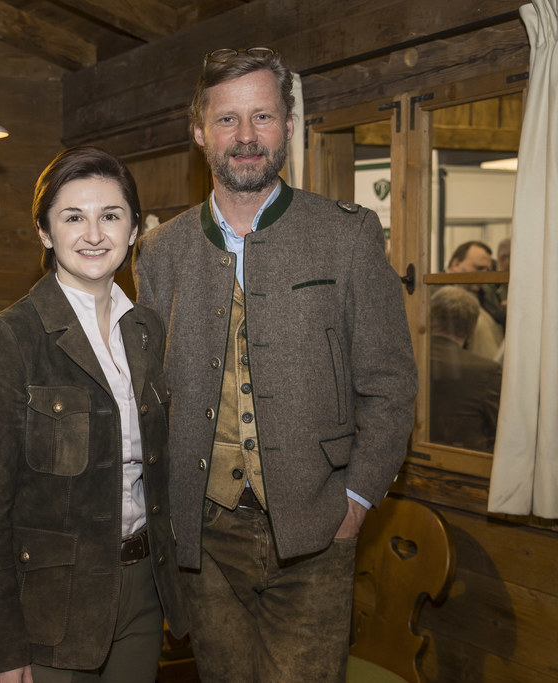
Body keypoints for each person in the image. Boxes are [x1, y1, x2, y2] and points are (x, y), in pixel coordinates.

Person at [133, 47, 417, 681]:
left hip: (317, 532)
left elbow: (391, 387)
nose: (245, 137)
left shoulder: (347, 234)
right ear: (200, 131)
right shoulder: (159, 251)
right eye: (228, 120)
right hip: (202, 541)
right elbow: (146, 395)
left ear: (289, 125)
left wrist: (355, 503)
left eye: (262, 117)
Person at [0, 146, 188, 683]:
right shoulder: (7, 340)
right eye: (73, 217)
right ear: (44, 232)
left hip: (143, 594)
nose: (94, 234)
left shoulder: (147, 330)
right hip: (49, 607)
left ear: (132, 231)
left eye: (111, 216)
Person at [429, 286, 502, 452]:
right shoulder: (487, 371)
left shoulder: (409, 360)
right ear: (473, 328)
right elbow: (501, 429)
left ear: (430, 318)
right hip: (466, 465)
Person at [446, 240, 504, 359]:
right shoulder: (438, 297)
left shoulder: (486, 295)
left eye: (488, 270)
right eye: (478, 268)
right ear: (455, 264)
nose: (484, 274)